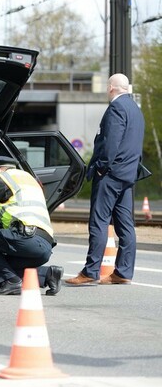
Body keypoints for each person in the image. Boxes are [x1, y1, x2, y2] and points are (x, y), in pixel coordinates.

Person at [66, 73, 145, 286]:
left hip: (110, 175)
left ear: (111, 87)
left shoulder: (116, 108)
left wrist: (102, 167)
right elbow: (136, 146)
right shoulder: (136, 110)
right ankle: (123, 272)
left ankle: (91, 271)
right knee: (125, 225)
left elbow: (111, 142)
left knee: (99, 222)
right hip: (127, 175)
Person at [0, 156, 63, 295]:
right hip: (45, 243)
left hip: (26, 238)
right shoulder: (29, 179)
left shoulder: (3, 177)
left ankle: (13, 282)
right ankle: (49, 274)